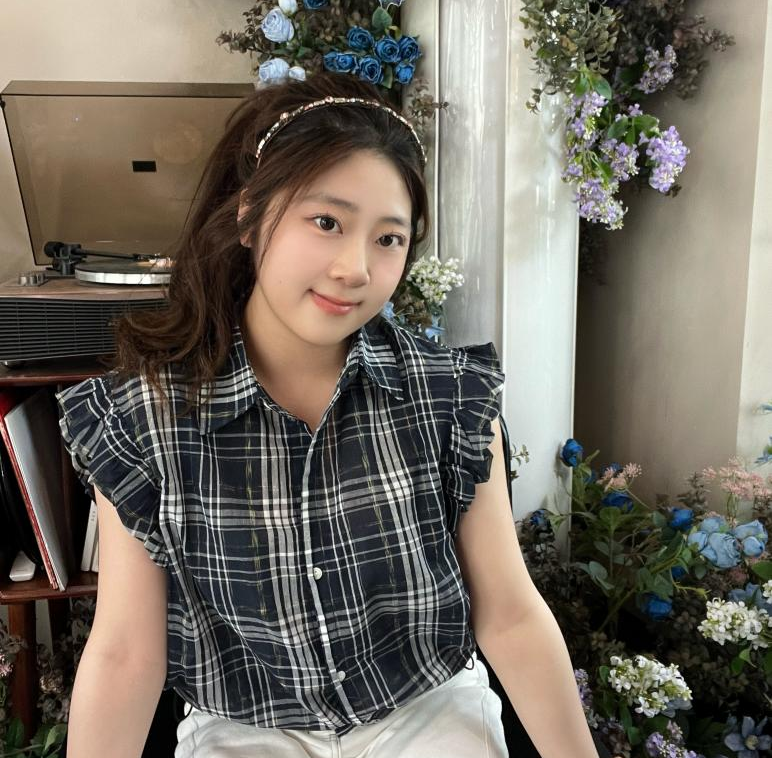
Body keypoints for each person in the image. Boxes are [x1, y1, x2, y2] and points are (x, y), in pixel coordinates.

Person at [55, 71, 599, 758]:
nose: (355, 268)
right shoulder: (147, 419)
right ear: (249, 215)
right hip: (244, 726)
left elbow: (510, 614)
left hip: (426, 708)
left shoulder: (449, 397)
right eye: (327, 222)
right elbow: (127, 653)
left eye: (388, 238)